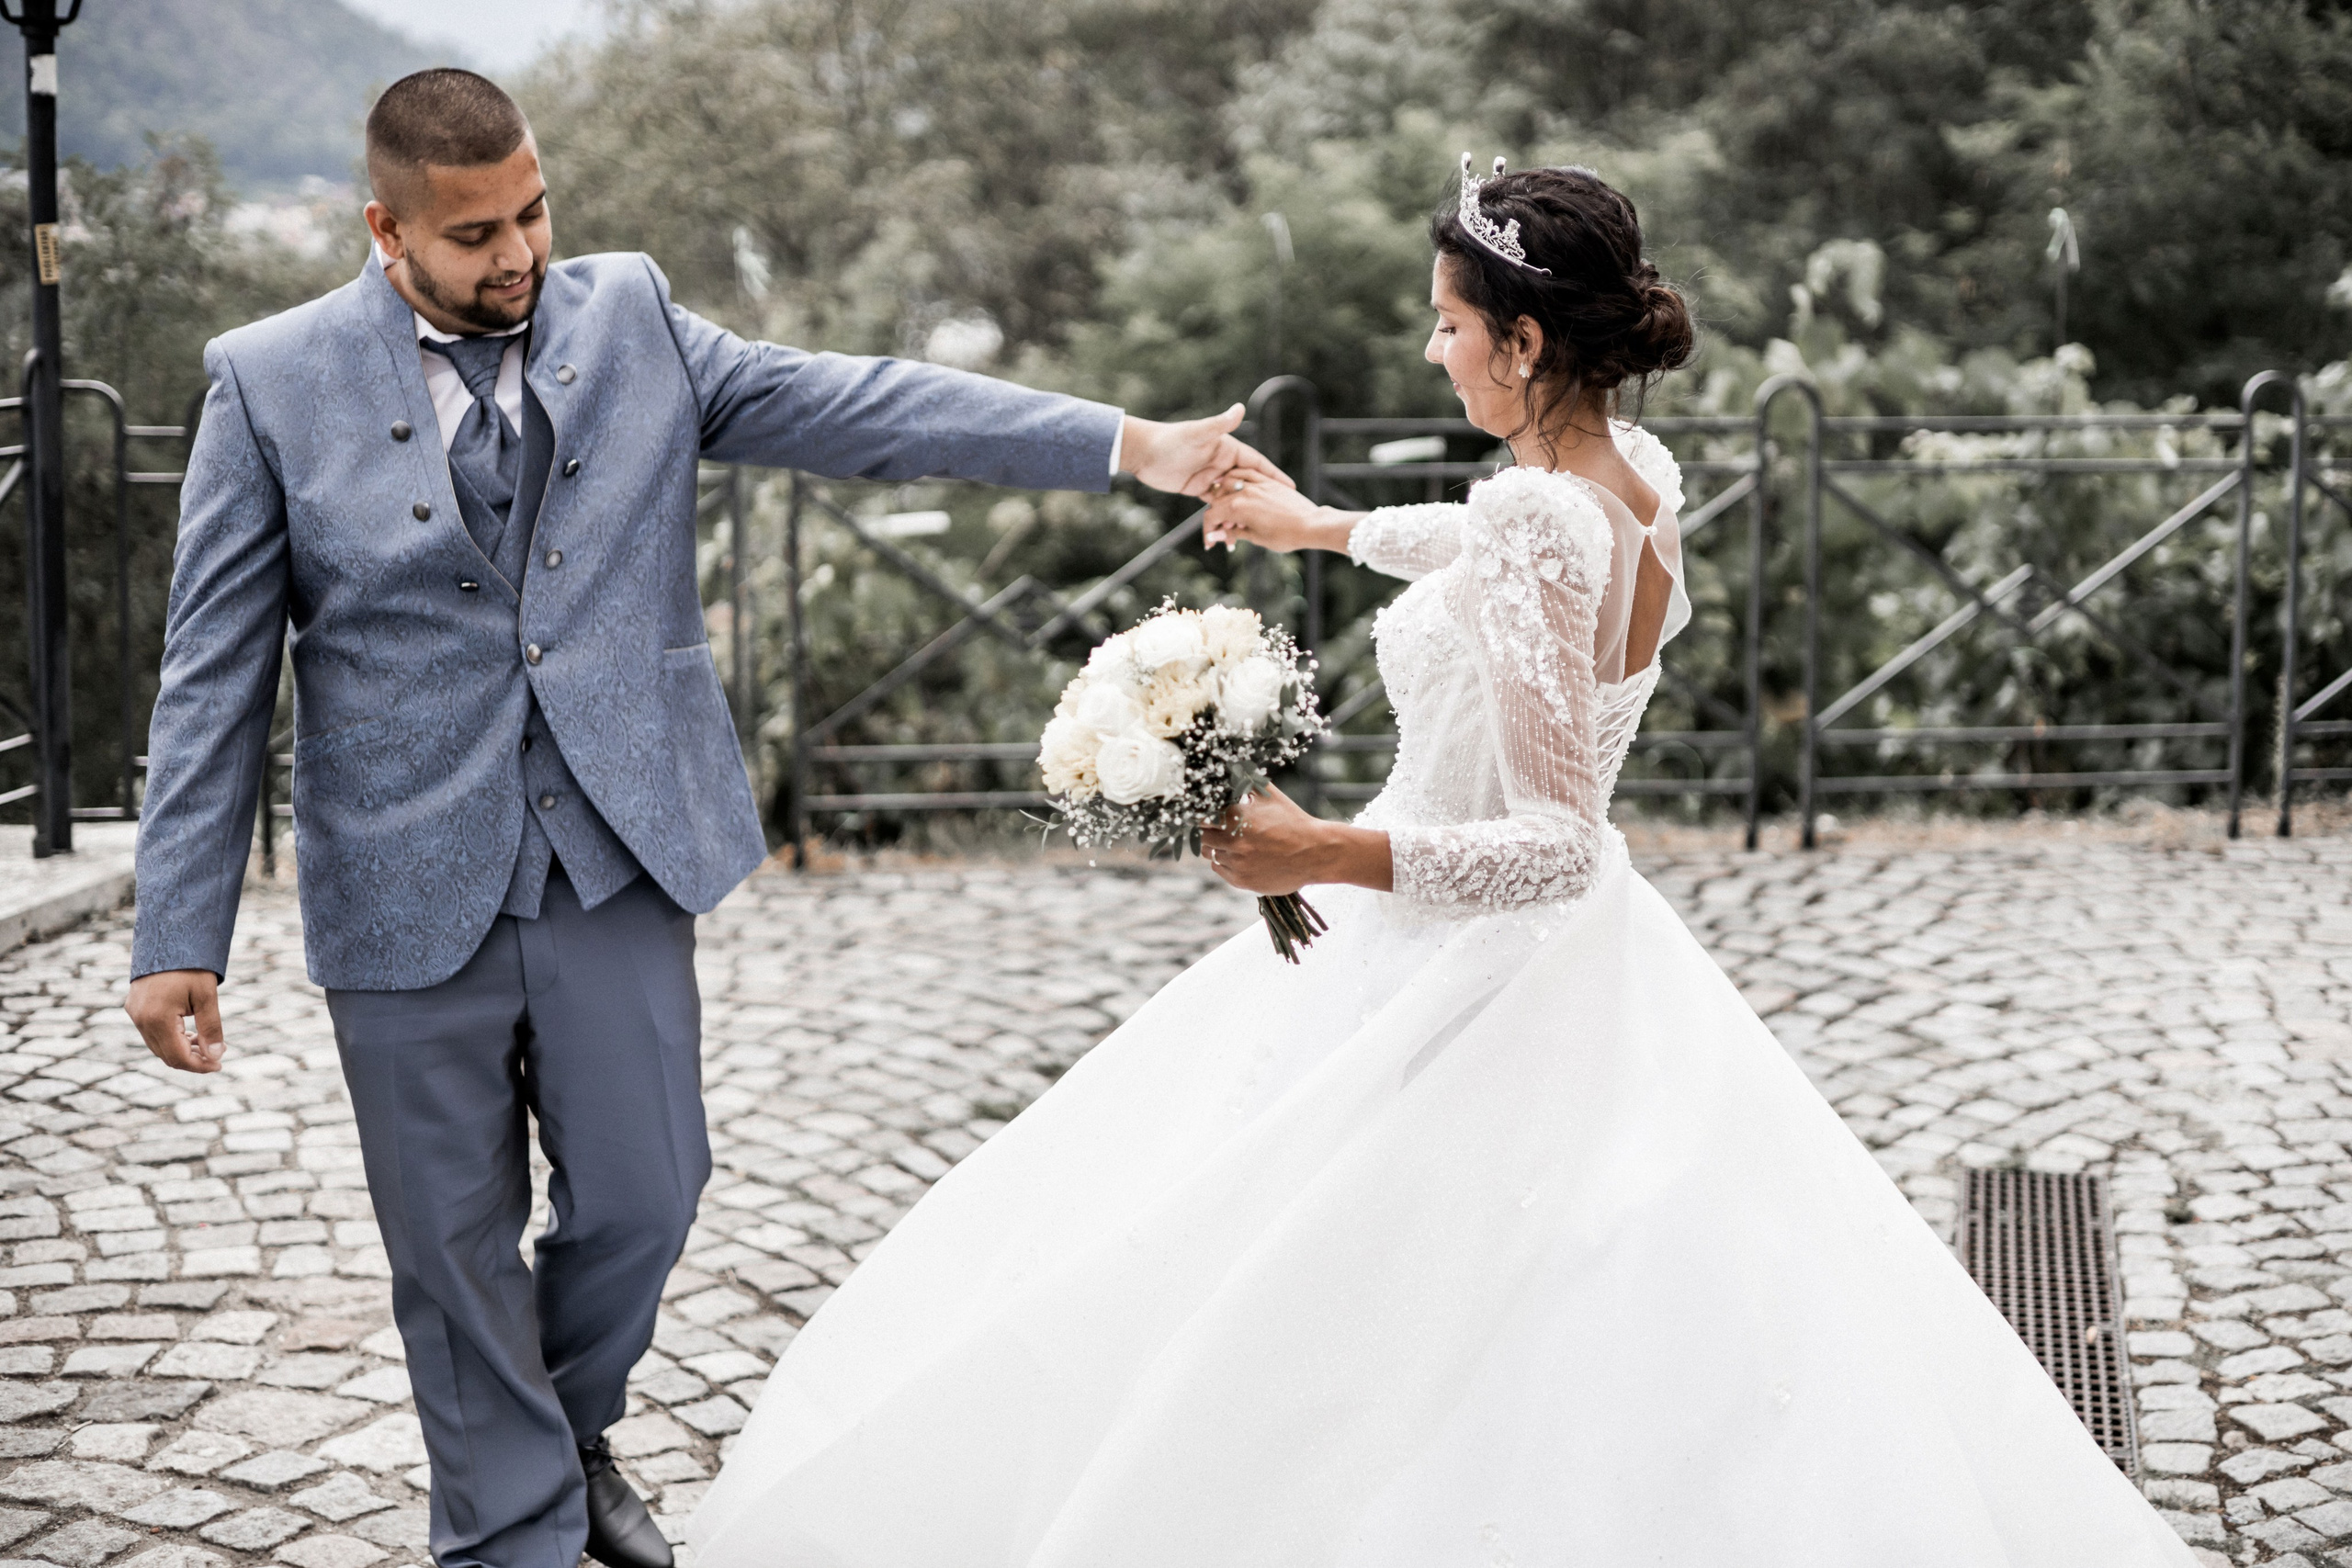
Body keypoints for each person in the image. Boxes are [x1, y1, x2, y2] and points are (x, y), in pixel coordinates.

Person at [689, 157, 2196, 1564]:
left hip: (1462, 964)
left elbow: (1551, 840)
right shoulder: (1632, 471)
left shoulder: (1540, 514)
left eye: (1450, 325)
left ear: (1524, 344)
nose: (1432, 351)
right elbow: (1494, 542)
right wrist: (1320, 528)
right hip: (1572, 965)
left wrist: (1318, 846)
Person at [120, 67, 1285, 1568]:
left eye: (533, 213)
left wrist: (1129, 441)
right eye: (474, 234)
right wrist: (177, 928)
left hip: (612, 851)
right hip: (400, 875)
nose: (518, 254)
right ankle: (513, 1535)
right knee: (450, 1249)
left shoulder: (633, 319)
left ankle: (560, 1432)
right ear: (386, 229)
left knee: (648, 1193)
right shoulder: (267, 381)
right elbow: (209, 674)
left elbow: (867, 407)